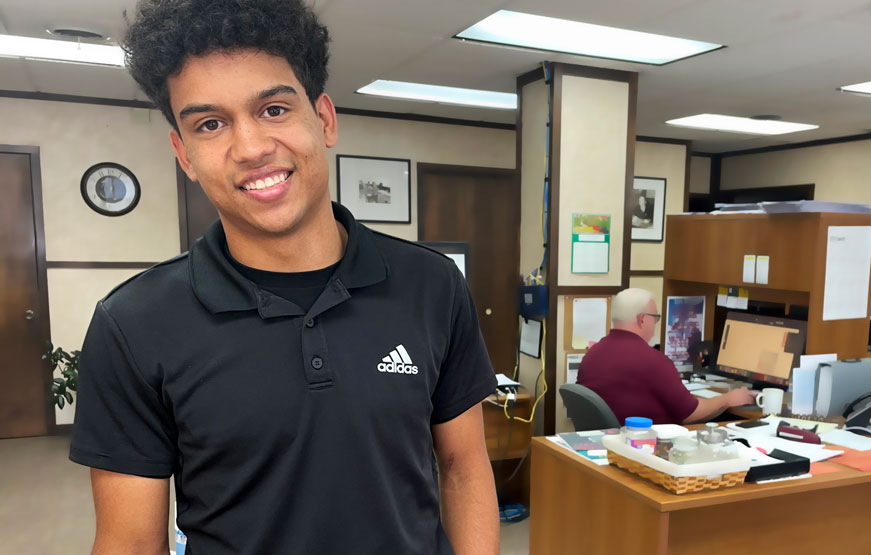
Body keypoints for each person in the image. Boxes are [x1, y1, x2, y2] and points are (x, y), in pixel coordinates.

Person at [68, 1, 498, 553]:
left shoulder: (432, 285)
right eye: (211, 124)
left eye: (273, 109)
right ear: (185, 154)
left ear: (324, 119)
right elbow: (129, 543)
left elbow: (464, 469)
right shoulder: (133, 324)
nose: (250, 148)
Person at [577, 289, 755, 425]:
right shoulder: (653, 361)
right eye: (656, 318)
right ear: (642, 319)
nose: (656, 323)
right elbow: (689, 413)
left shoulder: (593, 353)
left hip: (609, 445)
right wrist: (728, 399)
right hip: (647, 447)